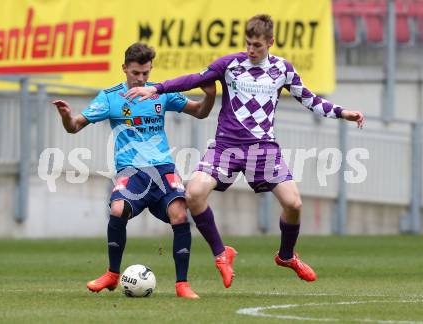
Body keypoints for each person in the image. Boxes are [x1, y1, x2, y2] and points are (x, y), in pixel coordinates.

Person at [126, 15, 365, 285]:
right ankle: (221, 253)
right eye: (248, 44)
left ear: (271, 43)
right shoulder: (229, 65)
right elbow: (194, 79)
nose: (251, 50)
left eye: (258, 46)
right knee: (193, 193)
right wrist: (156, 89)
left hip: (263, 149)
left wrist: (343, 113)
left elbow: (310, 100)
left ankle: (286, 256)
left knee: (294, 204)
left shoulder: (282, 69)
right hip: (226, 146)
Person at [52, 43, 217, 299]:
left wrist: (210, 97)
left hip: (163, 170)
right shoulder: (110, 97)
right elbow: (74, 126)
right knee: (117, 209)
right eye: (136, 73)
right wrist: (66, 116)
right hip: (131, 172)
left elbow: (200, 112)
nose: (141, 79)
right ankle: (112, 275)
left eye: (146, 73)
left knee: (180, 213)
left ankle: (182, 284)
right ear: (125, 69)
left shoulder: (161, 93)